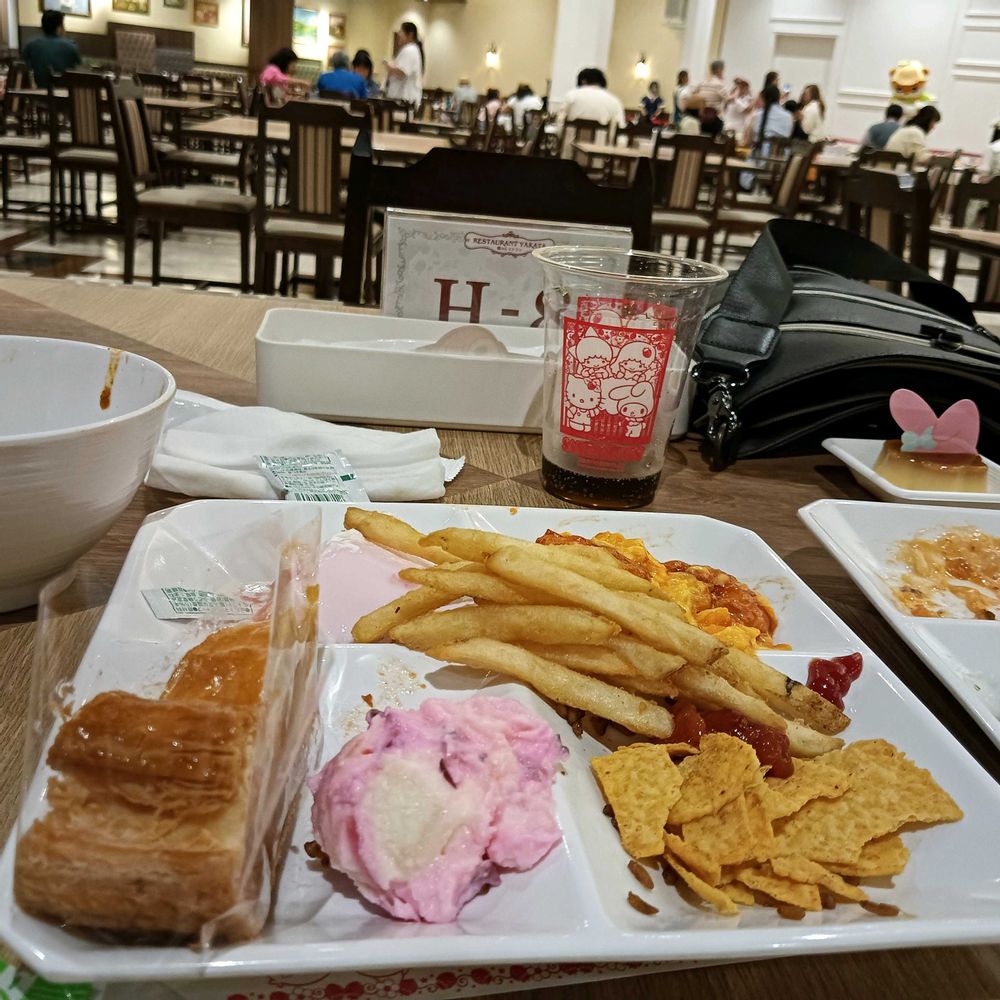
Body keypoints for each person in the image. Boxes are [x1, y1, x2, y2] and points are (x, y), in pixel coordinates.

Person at [22, 10, 80, 89]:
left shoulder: (30, 45)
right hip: (65, 93)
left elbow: (23, 70)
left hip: (39, 93)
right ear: (59, 28)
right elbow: (79, 72)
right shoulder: (70, 46)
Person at [557, 67, 625, 130]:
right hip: (602, 139)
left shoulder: (571, 96)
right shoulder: (614, 101)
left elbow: (560, 122)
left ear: (583, 81)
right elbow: (620, 128)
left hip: (570, 139)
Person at [384, 21, 423, 106]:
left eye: (401, 31)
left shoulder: (410, 50)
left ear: (410, 34)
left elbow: (402, 73)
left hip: (404, 100)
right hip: (401, 100)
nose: (399, 34)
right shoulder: (410, 49)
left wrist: (389, 66)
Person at [748, 84, 793, 148]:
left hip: (758, 151)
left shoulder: (758, 115)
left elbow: (750, 139)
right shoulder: (788, 116)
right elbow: (788, 135)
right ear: (778, 98)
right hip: (780, 152)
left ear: (764, 98)